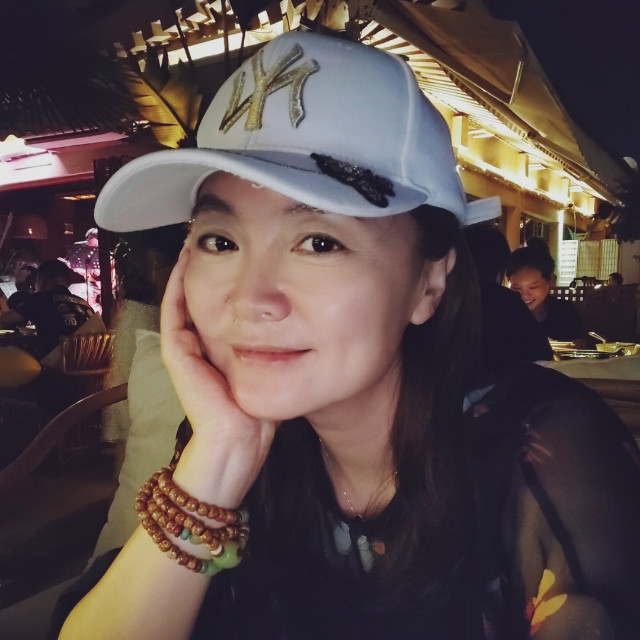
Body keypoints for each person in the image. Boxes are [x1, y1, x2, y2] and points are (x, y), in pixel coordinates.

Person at [53, 32, 640, 639]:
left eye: (319, 242)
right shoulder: (235, 435)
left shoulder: (546, 458)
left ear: (429, 283)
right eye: (220, 241)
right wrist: (222, 453)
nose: (251, 299)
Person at [463, 223, 552, 378]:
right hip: (497, 387)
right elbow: (542, 355)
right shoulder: (505, 300)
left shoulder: (446, 297)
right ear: (502, 268)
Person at [0, 258, 96, 358]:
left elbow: (4, 320)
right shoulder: (84, 303)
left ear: (41, 281)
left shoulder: (40, 298)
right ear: (67, 283)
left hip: (56, 363)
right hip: (90, 361)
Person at [506, 246, 584, 342]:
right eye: (516, 288)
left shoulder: (564, 312)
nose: (524, 295)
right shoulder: (504, 314)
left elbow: (577, 344)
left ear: (549, 281)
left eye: (533, 287)